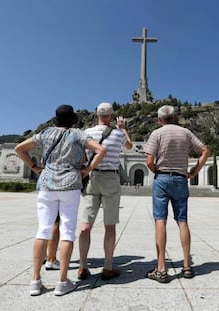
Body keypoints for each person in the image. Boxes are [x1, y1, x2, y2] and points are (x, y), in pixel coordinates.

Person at [15, 104, 106, 296]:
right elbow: (100, 150)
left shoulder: (46, 133)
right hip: (70, 185)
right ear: (72, 119)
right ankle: (62, 281)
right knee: (67, 231)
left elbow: (19, 148)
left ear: (56, 119)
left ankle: (35, 280)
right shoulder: (78, 134)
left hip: (47, 185)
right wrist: (87, 170)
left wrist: (34, 167)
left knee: (43, 229)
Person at [144, 105, 209, 282]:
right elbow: (205, 150)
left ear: (159, 120)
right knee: (182, 221)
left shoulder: (156, 134)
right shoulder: (186, 133)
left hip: (162, 179)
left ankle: (161, 269)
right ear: (175, 117)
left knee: (160, 221)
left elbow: (149, 161)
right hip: (181, 179)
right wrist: (194, 171)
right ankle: (187, 267)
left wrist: (158, 170)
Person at [78, 102, 132, 280]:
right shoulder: (117, 133)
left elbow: (82, 155)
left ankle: (83, 267)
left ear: (96, 115)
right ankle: (108, 266)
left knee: (86, 225)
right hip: (110, 178)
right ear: (111, 117)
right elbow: (130, 146)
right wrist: (123, 128)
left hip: (92, 177)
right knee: (110, 225)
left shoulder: (87, 133)